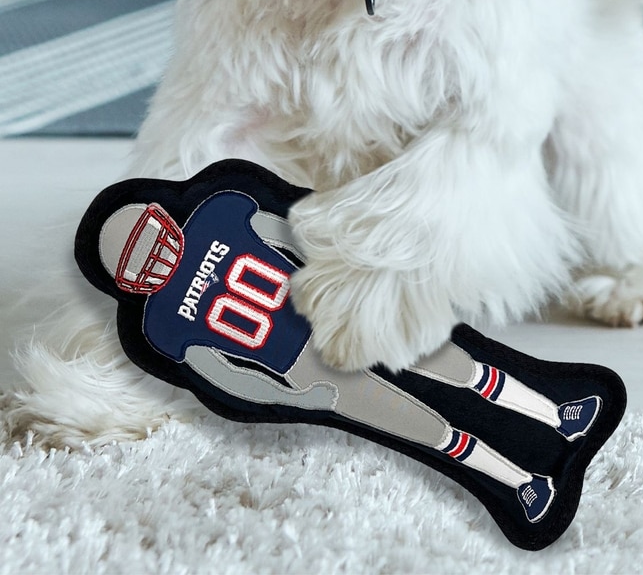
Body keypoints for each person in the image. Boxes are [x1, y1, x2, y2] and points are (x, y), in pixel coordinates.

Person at [98, 194, 604, 525]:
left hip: (331, 311)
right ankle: (522, 484)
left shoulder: (210, 232)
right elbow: (228, 375)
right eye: (137, 253)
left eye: (146, 238)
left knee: (459, 367)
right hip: (305, 362)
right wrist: (295, 396)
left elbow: (295, 233)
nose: (153, 254)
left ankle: (558, 416)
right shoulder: (168, 313)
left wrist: (351, 274)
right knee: (429, 430)